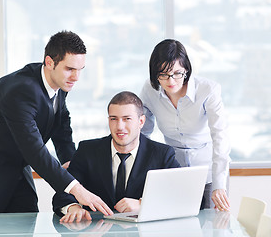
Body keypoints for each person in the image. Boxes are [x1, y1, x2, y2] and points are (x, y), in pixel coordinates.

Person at [0, 30, 112, 233]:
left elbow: (62, 131)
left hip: (16, 172)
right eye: (70, 69)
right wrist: (77, 190)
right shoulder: (21, 91)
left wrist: (72, 166)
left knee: (27, 227)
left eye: (80, 69)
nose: (76, 77)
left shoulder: (59, 84)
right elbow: (35, 150)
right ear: (50, 62)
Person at [52, 91, 180, 223]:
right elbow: (63, 193)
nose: (120, 126)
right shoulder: (87, 150)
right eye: (114, 119)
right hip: (96, 231)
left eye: (127, 119)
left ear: (141, 121)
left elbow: (181, 196)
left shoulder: (162, 154)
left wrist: (143, 204)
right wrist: (73, 208)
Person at [139, 39, 231, 211]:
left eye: (177, 73)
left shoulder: (208, 90)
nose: (171, 80)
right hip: (176, 173)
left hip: (210, 172)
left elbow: (220, 137)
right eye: (163, 74)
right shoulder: (150, 90)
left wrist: (219, 184)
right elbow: (142, 134)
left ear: (186, 69)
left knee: (214, 227)